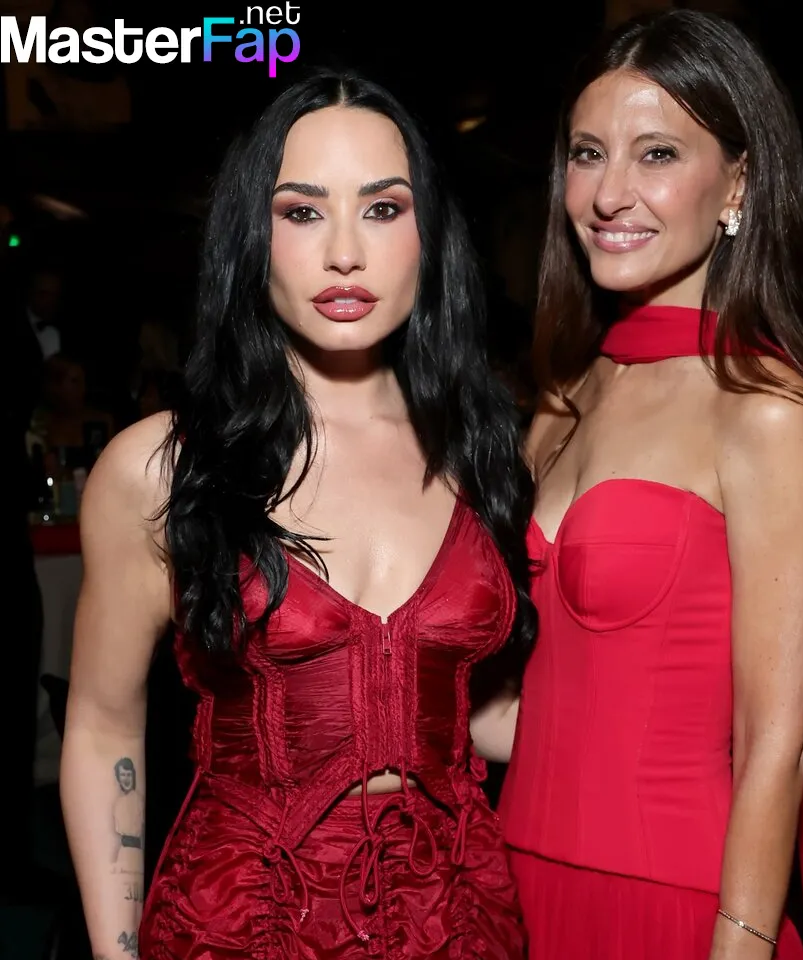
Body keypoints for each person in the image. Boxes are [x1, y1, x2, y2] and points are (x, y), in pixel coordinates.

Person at [60, 68, 535, 959]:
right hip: (243, 923)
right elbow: (101, 726)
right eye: (303, 212)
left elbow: (479, 713)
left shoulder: (485, 454)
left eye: (383, 209)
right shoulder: (162, 468)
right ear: (253, 237)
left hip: (458, 919)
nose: (344, 252)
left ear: (430, 236)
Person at [493, 10, 803, 960]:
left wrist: (739, 944)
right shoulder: (564, 396)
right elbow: (536, 709)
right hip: (511, 890)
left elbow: (774, 743)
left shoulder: (762, 409)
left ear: (736, 181)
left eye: (655, 153)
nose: (609, 193)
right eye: (587, 154)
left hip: (676, 911)